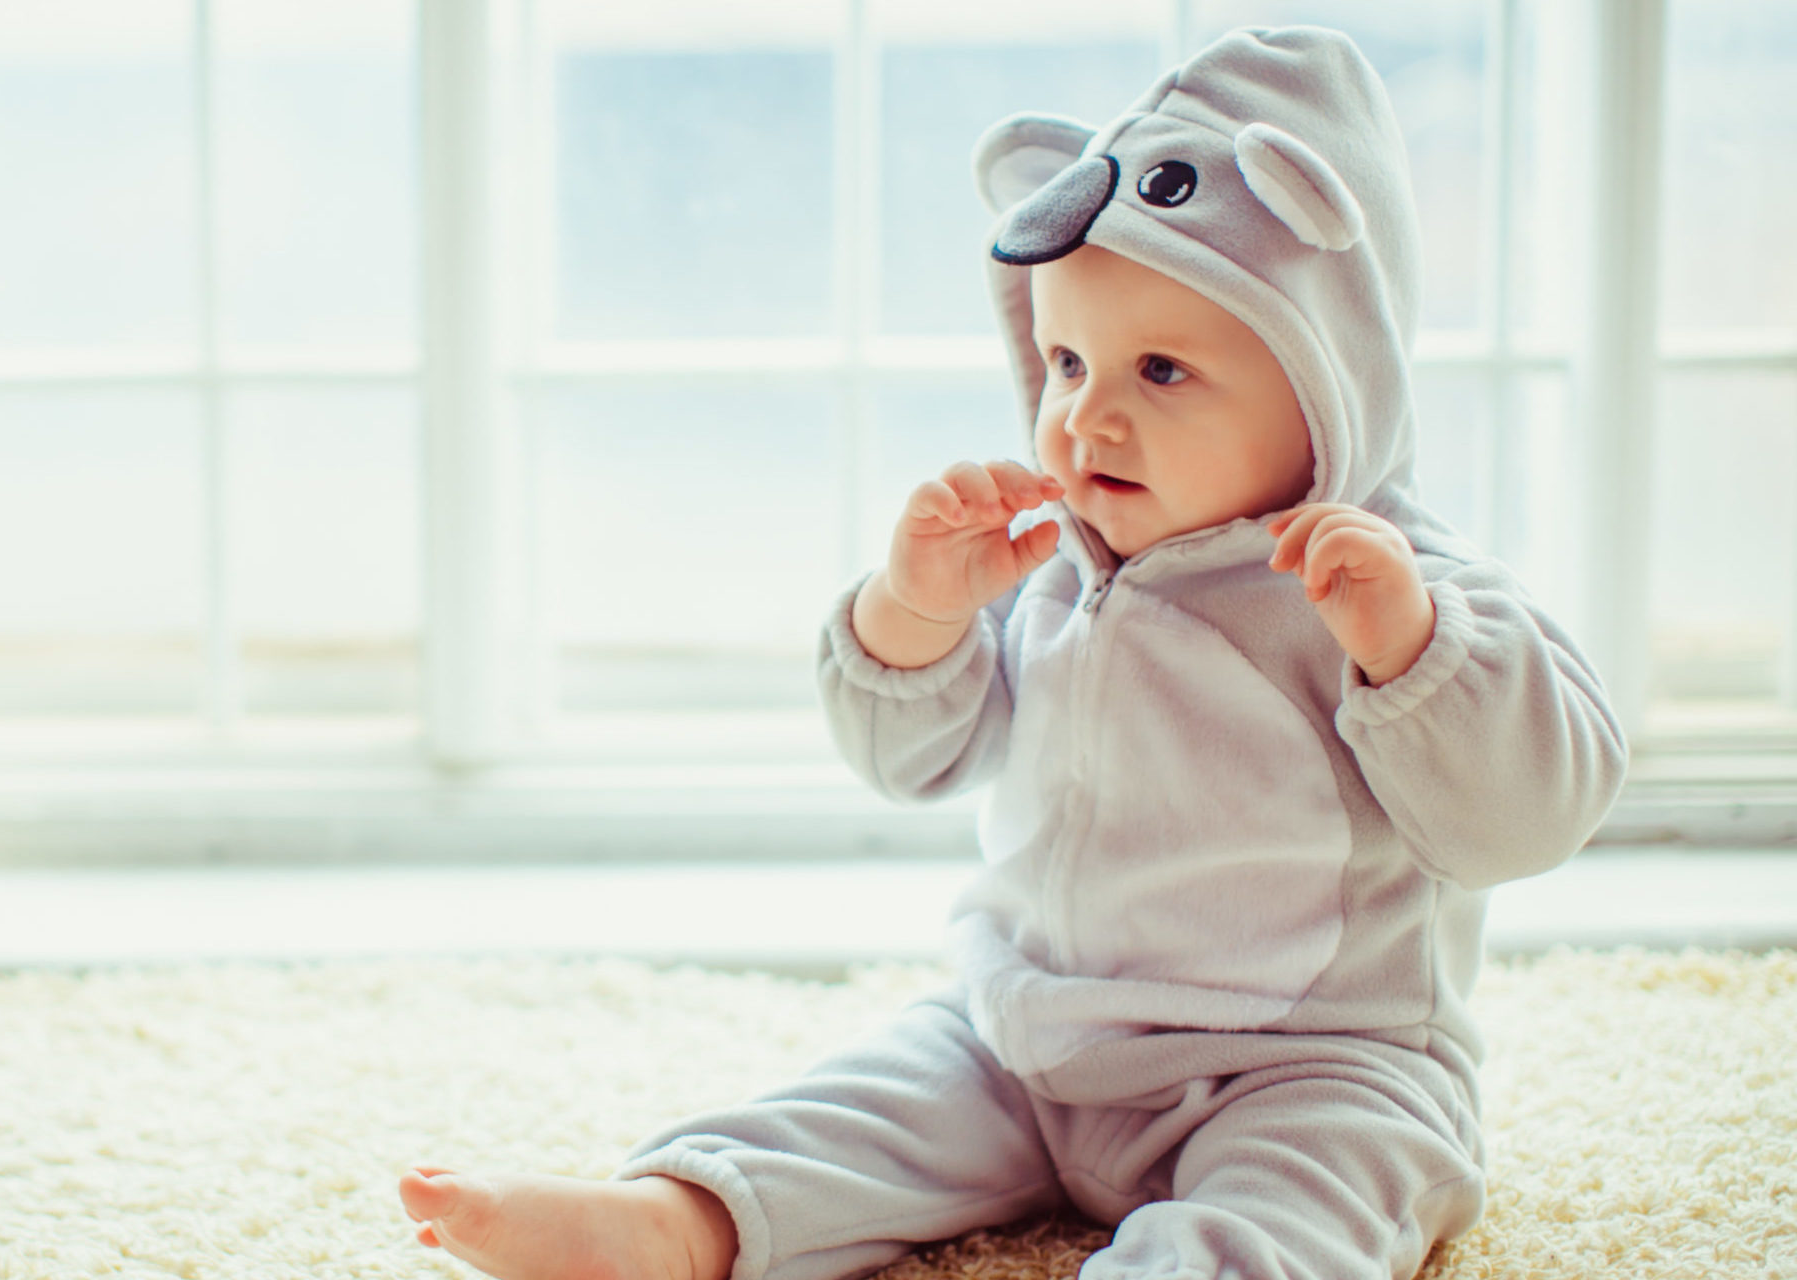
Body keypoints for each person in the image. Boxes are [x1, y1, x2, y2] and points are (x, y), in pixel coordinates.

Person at [400, 25, 1628, 1280]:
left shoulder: (1389, 584)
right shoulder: (1049, 557)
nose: (1088, 412)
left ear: (1326, 378)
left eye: (1160, 369)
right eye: (1065, 359)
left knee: (1309, 1198)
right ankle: (675, 1219)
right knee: (872, 1099)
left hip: (1312, 1062)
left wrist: (1411, 650)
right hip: (1029, 1036)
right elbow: (908, 759)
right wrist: (915, 609)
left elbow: (1529, 817)